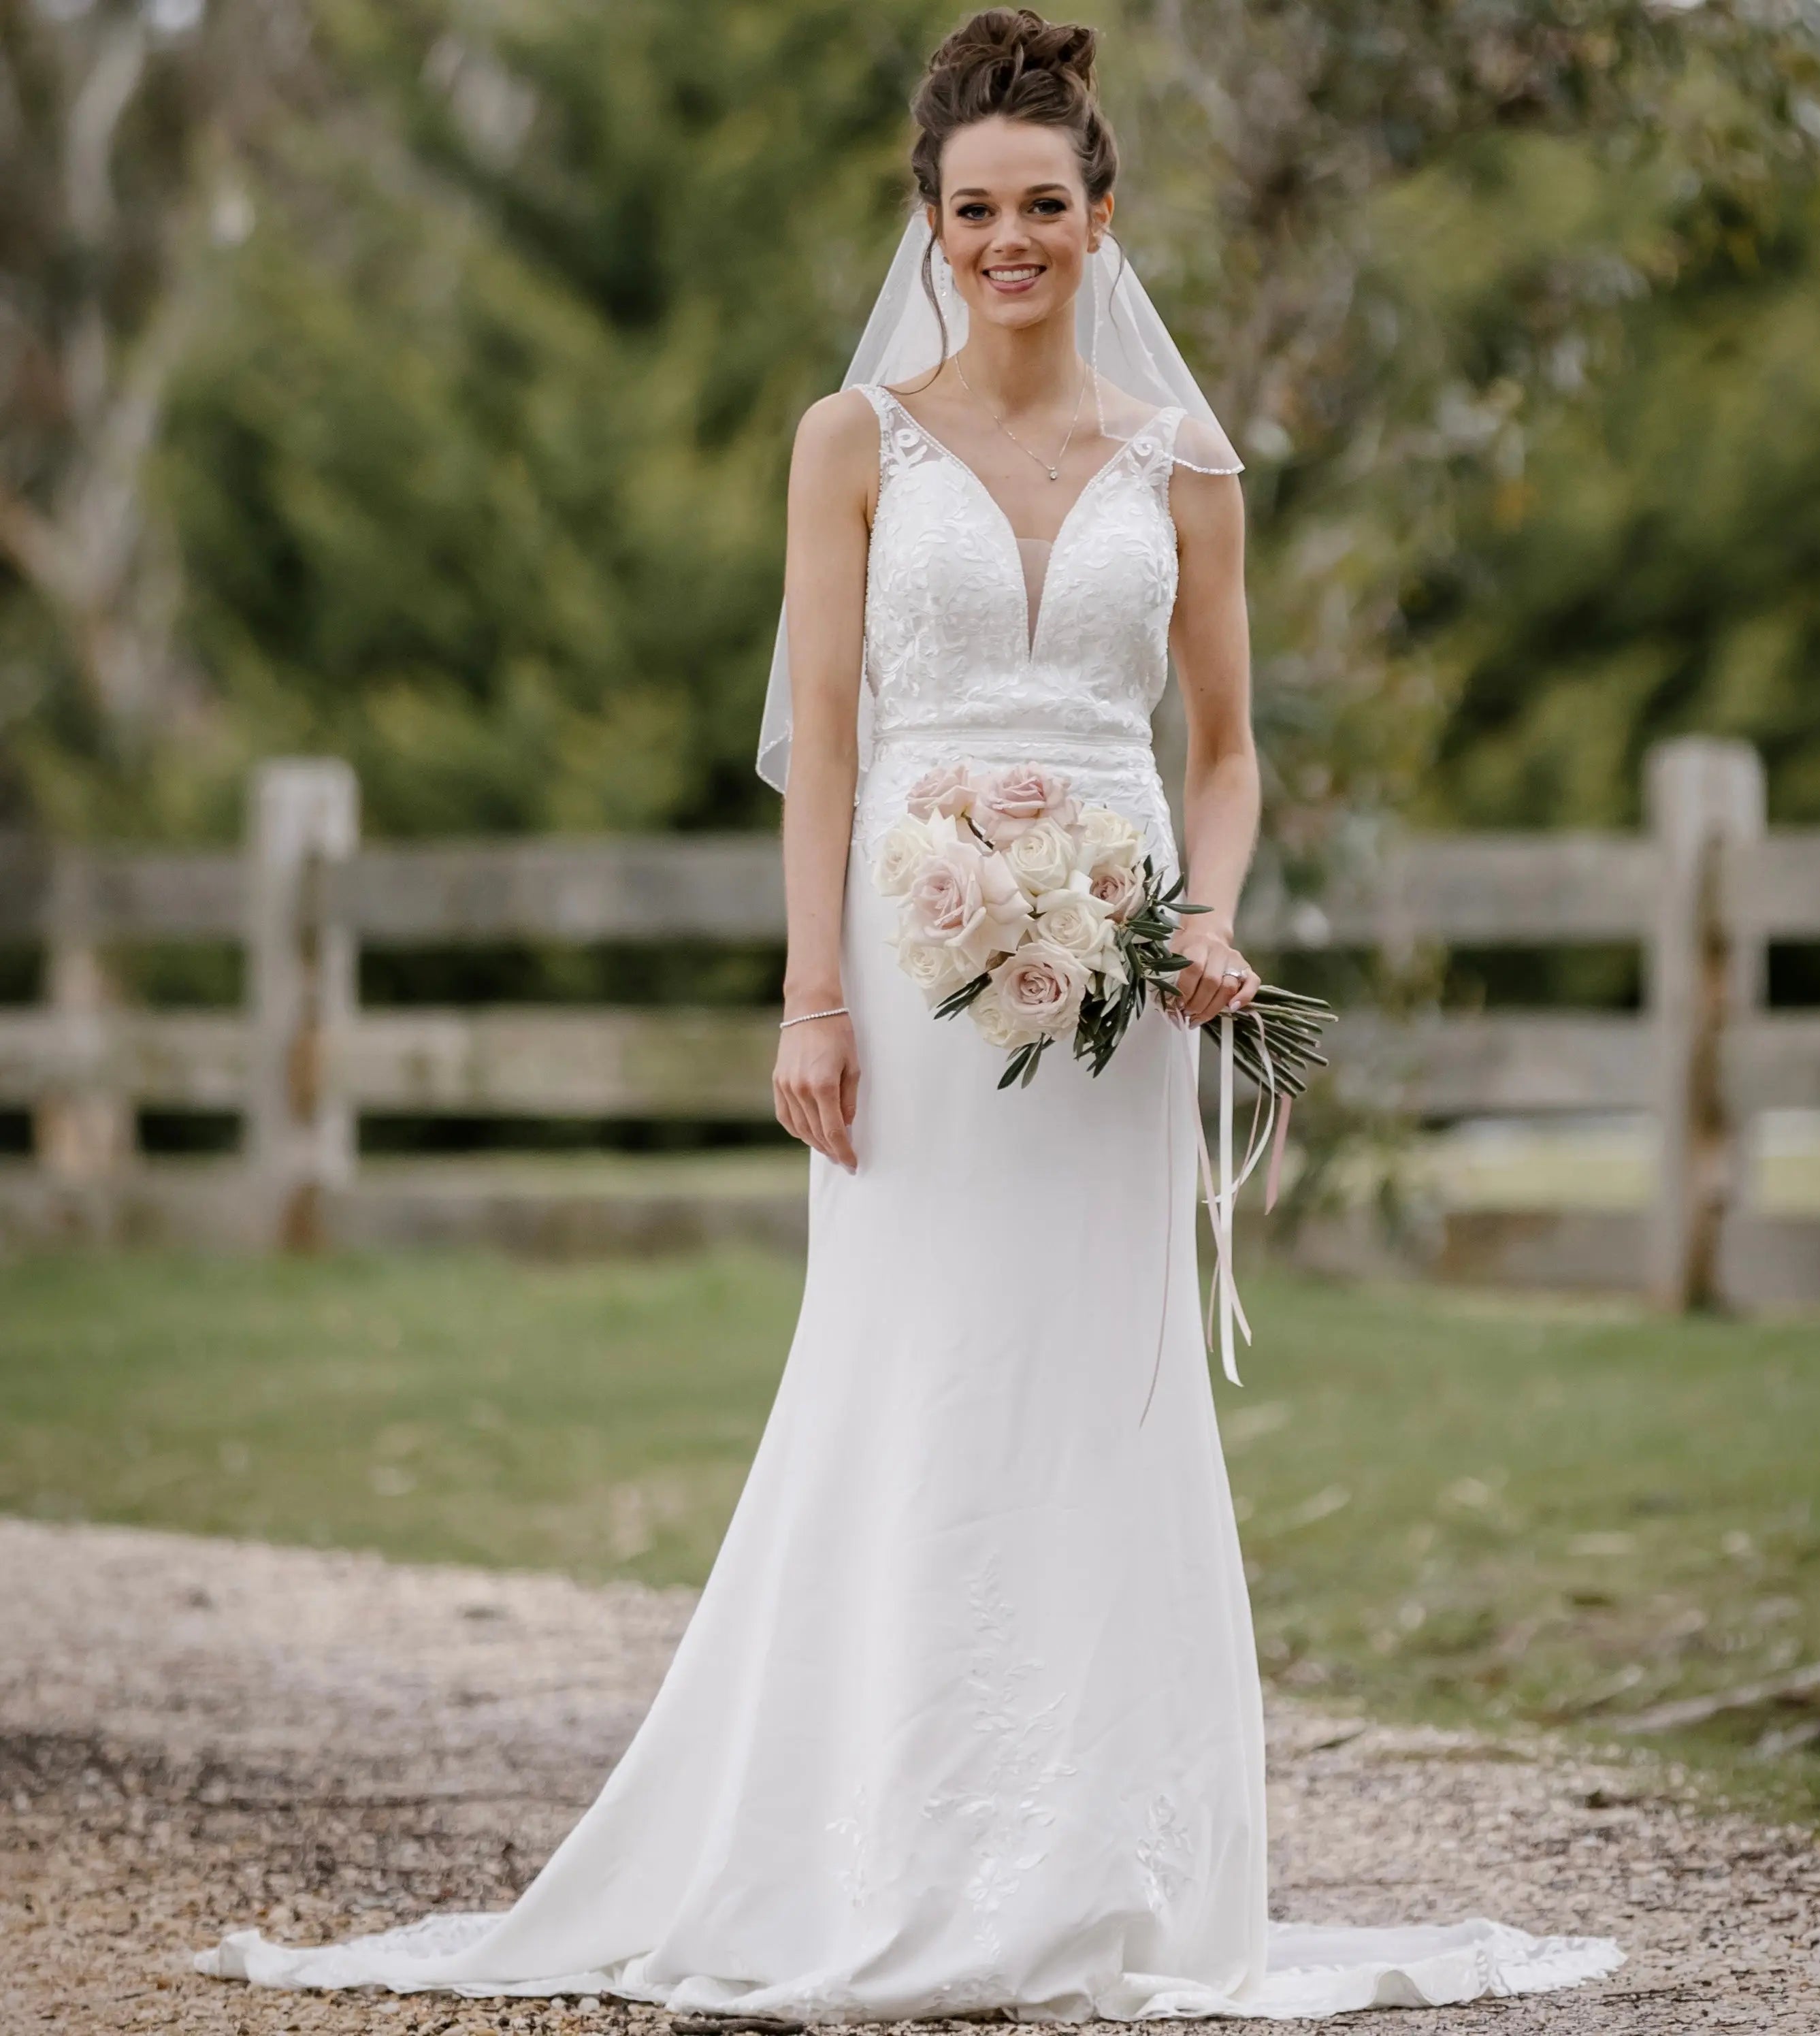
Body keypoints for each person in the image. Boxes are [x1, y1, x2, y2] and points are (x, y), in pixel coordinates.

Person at [197, 9, 1625, 2016]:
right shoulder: (847, 445)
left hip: (1122, 976)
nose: (1011, 238)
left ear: (1105, 214)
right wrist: (811, 1003)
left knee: (1099, 1386)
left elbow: (1224, 748)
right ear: (931, 224)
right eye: (977, 210)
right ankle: (881, 1838)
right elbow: (832, 754)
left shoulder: (1188, 467)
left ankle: (1094, 1857)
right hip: (912, 958)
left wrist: (1204, 916)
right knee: (913, 1360)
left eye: (1047, 203)